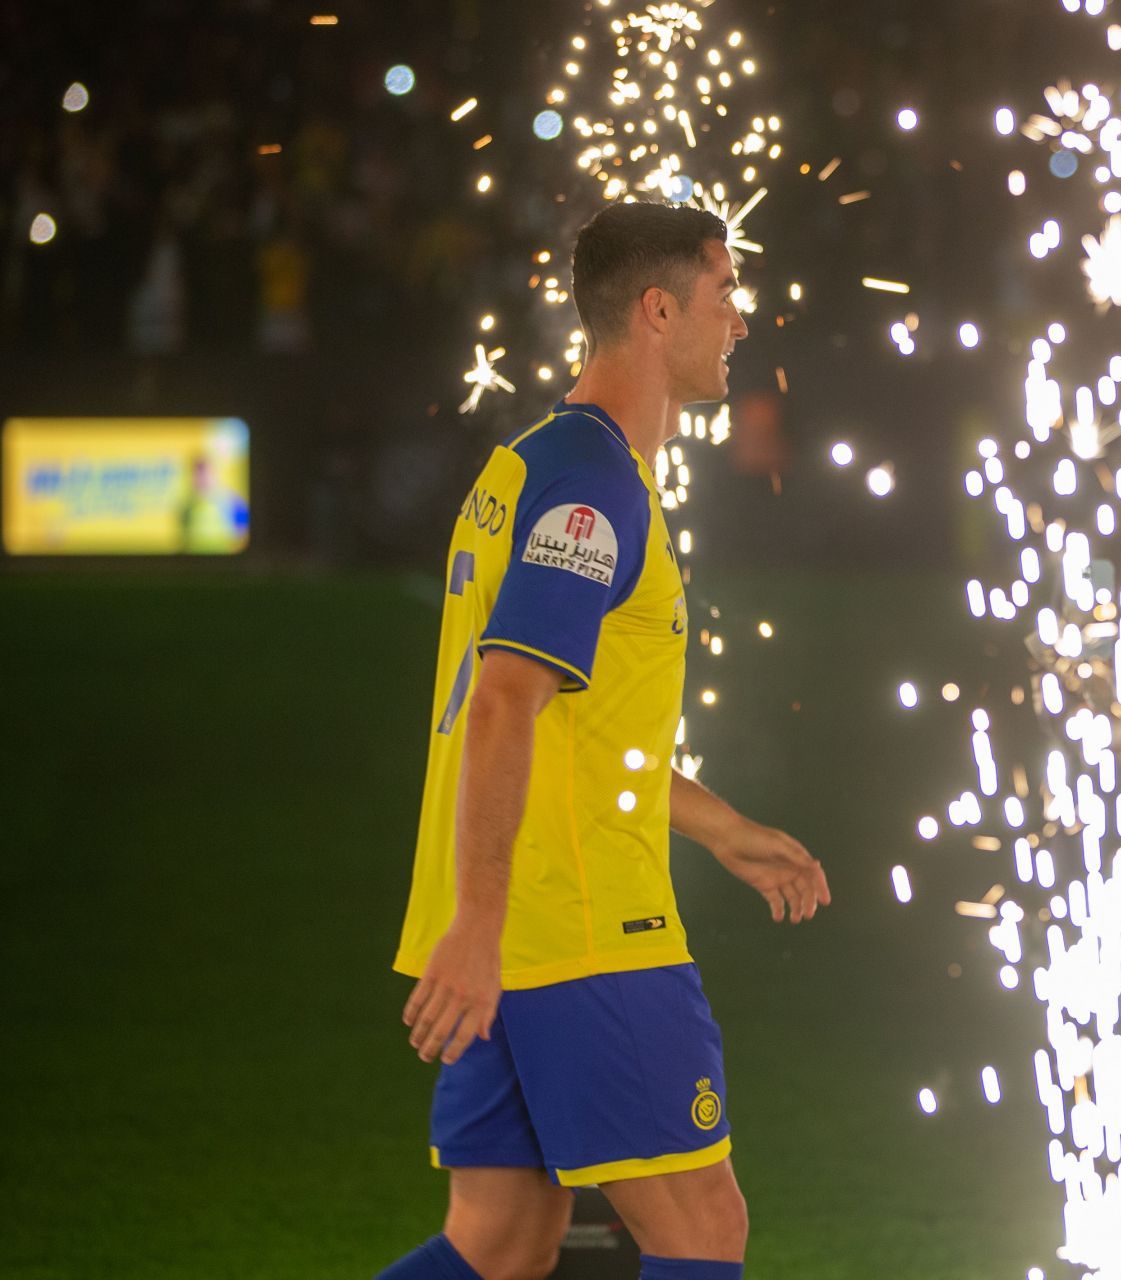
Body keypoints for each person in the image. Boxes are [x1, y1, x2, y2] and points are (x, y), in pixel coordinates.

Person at [380, 201, 829, 1280]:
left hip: (519, 920)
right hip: (579, 928)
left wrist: (718, 824)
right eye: (725, 291)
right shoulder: (592, 488)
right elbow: (502, 701)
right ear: (659, 308)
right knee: (702, 1229)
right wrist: (481, 926)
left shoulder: (535, 465)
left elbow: (572, 725)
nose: (741, 317)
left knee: (502, 1239)